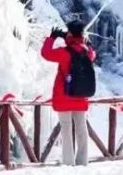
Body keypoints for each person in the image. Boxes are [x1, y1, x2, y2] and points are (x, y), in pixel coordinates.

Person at [41, 20, 96, 166]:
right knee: (81, 129)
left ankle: (68, 163)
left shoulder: (64, 53)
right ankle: (82, 161)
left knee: (66, 129)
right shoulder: (87, 52)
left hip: (64, 96)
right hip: (80, 96)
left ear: (70, 32)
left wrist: (52, 37)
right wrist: (75, 38)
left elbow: (45, 53)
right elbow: (92, 52)